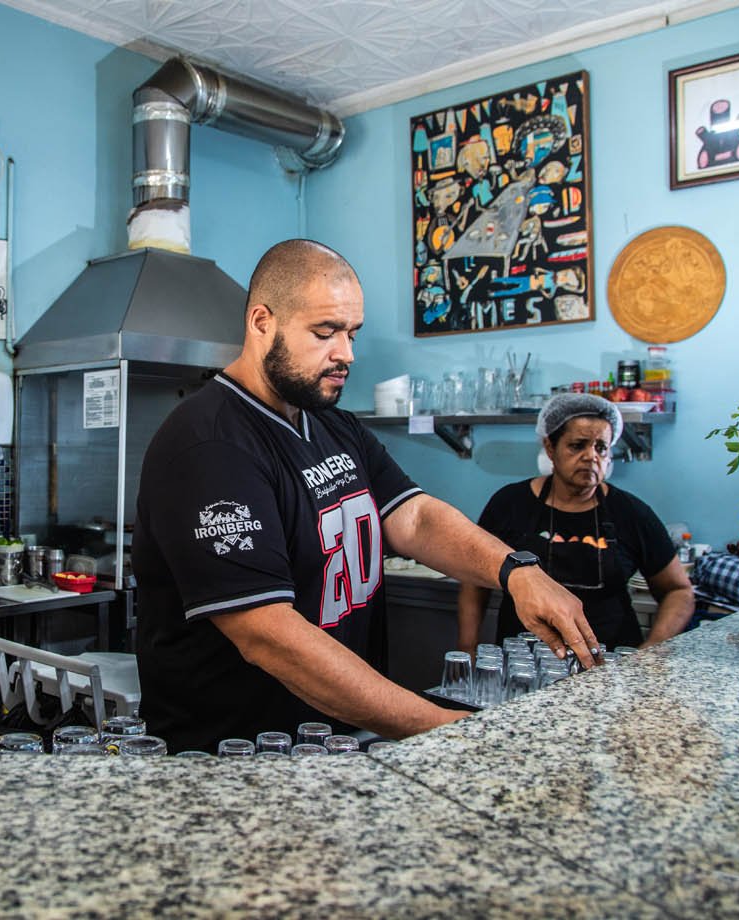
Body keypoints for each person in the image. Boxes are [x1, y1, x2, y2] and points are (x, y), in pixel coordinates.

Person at [132, 239, 598, 753]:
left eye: (352, 333)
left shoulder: (333, 424)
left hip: (332, 742)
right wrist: (440, 730)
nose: (346, 354)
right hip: (237, 757)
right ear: (262, 322)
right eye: (325, 332)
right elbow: (266, 633)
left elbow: (415, 518)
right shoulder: (209, 443)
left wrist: (517, 571)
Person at [456, 393, 694, 656]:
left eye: (601, 447)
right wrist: (468, 647)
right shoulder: (510, 504)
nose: (590, 456)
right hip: (524, 663)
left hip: (609, 666)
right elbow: (473, 581)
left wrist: (652, 649)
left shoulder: (631, 513)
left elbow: (678, 591)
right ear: (550, 448)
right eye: (577, 445)